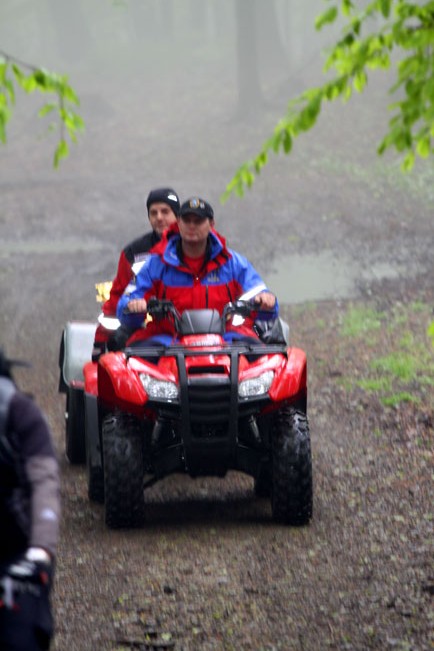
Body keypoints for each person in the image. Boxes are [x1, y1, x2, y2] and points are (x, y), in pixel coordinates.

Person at [117, 196, 278, 345]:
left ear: (211, 224)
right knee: (128, 367)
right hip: (168, 340)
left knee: (265, 362)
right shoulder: (155, 264)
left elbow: (264, 301)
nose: (192, 226)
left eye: (198, 220)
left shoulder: (233, 263)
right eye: (187, 220)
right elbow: (124, 307)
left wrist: (266, 301)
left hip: (225, 339)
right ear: (178, 224)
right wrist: (134, 307)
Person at [0, 348, 61, 651]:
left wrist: (41, 549)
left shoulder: (20, 412)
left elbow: (44, 482)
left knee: (20, 639)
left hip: (16, 553)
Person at [93, 186, 180, 356]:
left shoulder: (194, 248)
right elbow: (116, 297)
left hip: (194, 331)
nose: (159, 218)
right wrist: (100, 341)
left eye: (165, 211)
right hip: (146, 331)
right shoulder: (133, 253)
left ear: (177, 215)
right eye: (153, 213)